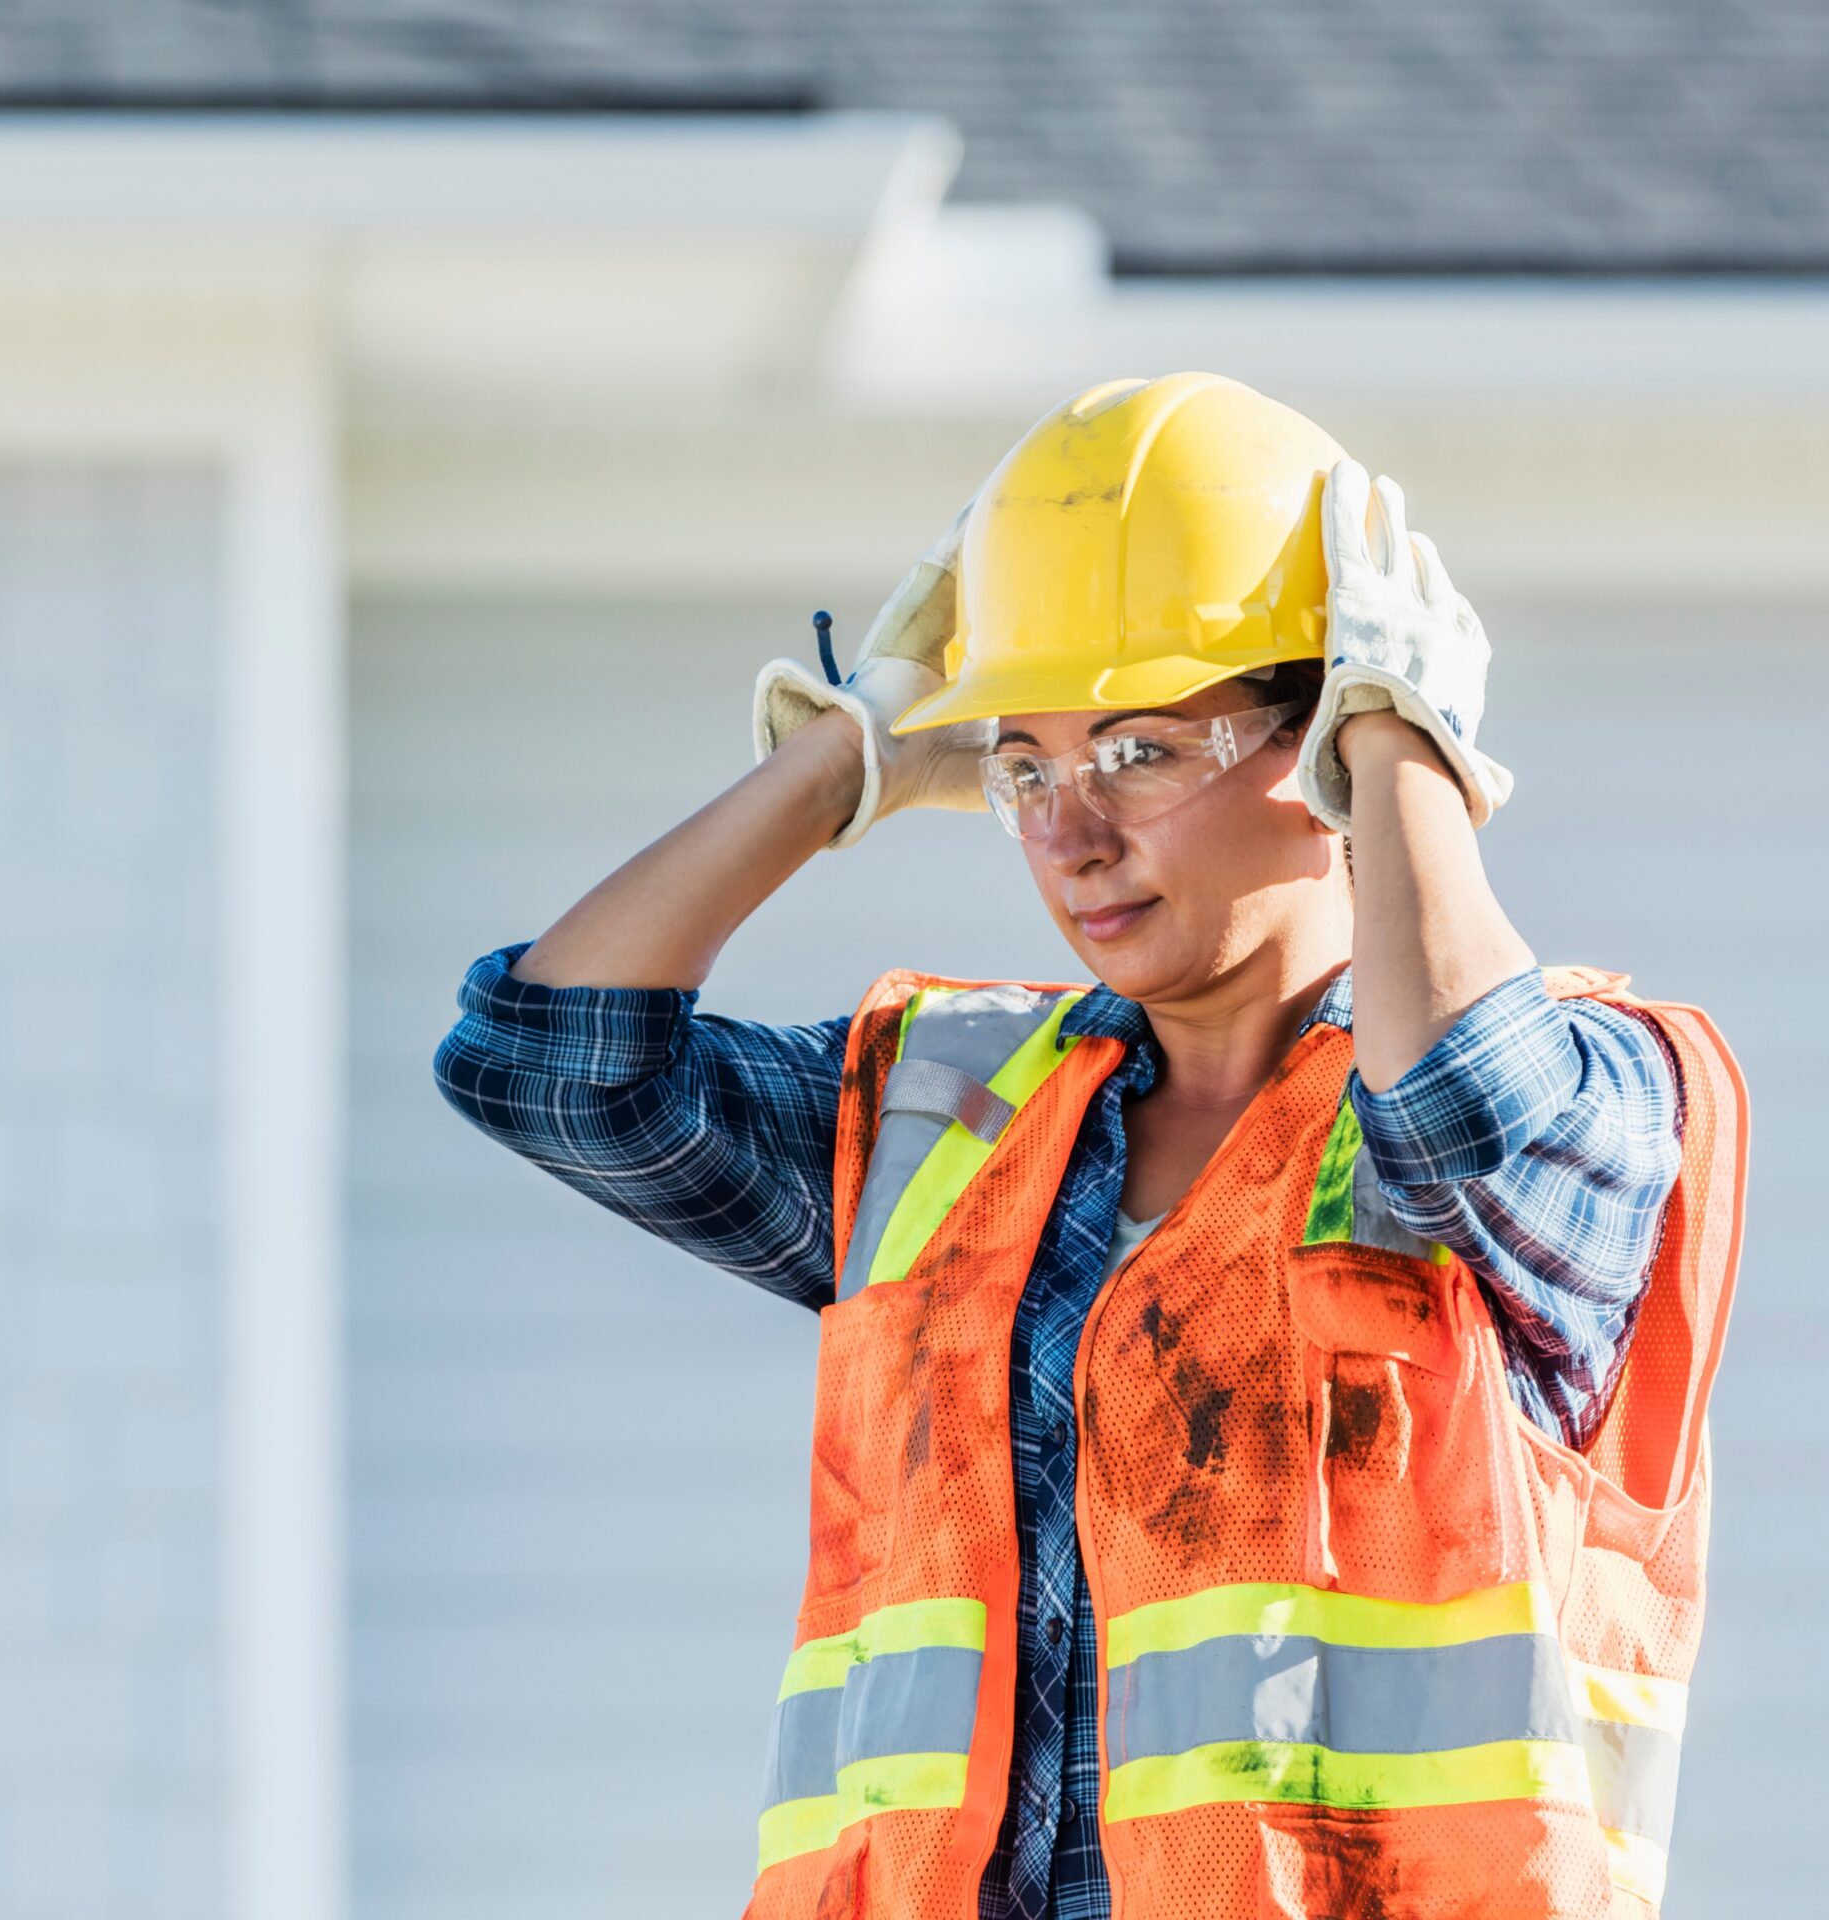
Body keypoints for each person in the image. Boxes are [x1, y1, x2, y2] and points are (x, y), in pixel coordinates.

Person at [432, 373, 1748, 1920]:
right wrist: (846, 758)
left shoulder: (1605, 1099)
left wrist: (1404, 749)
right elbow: (549, 1063)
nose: (1071, 833)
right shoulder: (955, 1112)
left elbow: (1456, 1103)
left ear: (1319, 736)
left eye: (1138, 750)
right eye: (1025, 766)